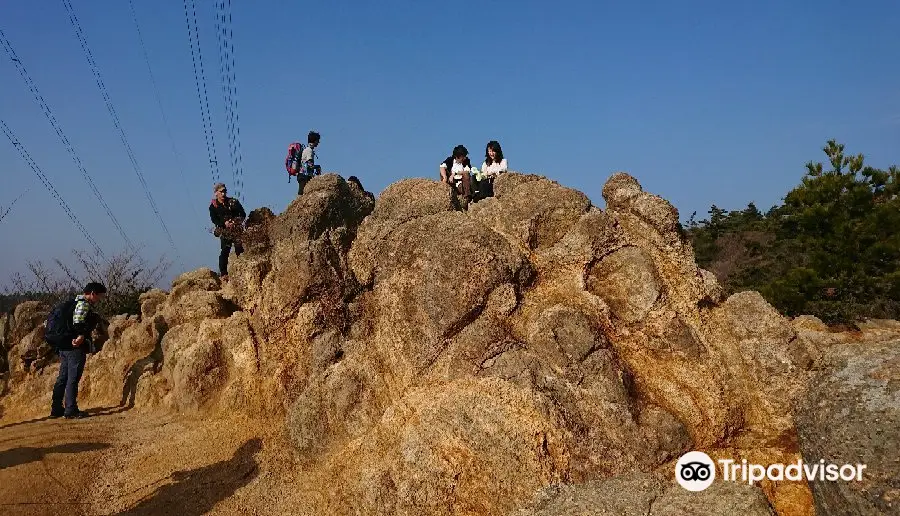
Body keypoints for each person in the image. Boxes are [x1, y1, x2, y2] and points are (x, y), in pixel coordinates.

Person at [50, 282, 106, 419]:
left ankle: (56, 409)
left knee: (62, 377)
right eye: (99, 297)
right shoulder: (83, 304)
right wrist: (81, 336)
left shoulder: (71, 302)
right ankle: (71, 410)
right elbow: (78, 322)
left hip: (63, 345)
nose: (99, 300)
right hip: (74, 346)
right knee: (72, 378)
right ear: (92, 293)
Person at [209, 182, 246, 281]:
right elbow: (214, 220)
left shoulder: (233, 202)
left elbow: (243, 214)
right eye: (221, 192)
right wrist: (224, 223)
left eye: (225, 191)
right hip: (225, 231)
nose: (223, 194)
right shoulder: (213, 206)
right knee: (225, 251)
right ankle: (224, 274)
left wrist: (235, 221)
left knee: (239, 249)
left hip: (236, 229)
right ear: (216, 193)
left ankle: (243, 270)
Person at [298, 131, 322, 195]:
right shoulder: (309, 151)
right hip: (305, 176)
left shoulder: (307, 149)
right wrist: (318, 167)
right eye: (318, 141)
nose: (318, 142)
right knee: (302, 195)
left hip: (302, 175)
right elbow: (310, 165)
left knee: (303, 195)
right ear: (315, 141)